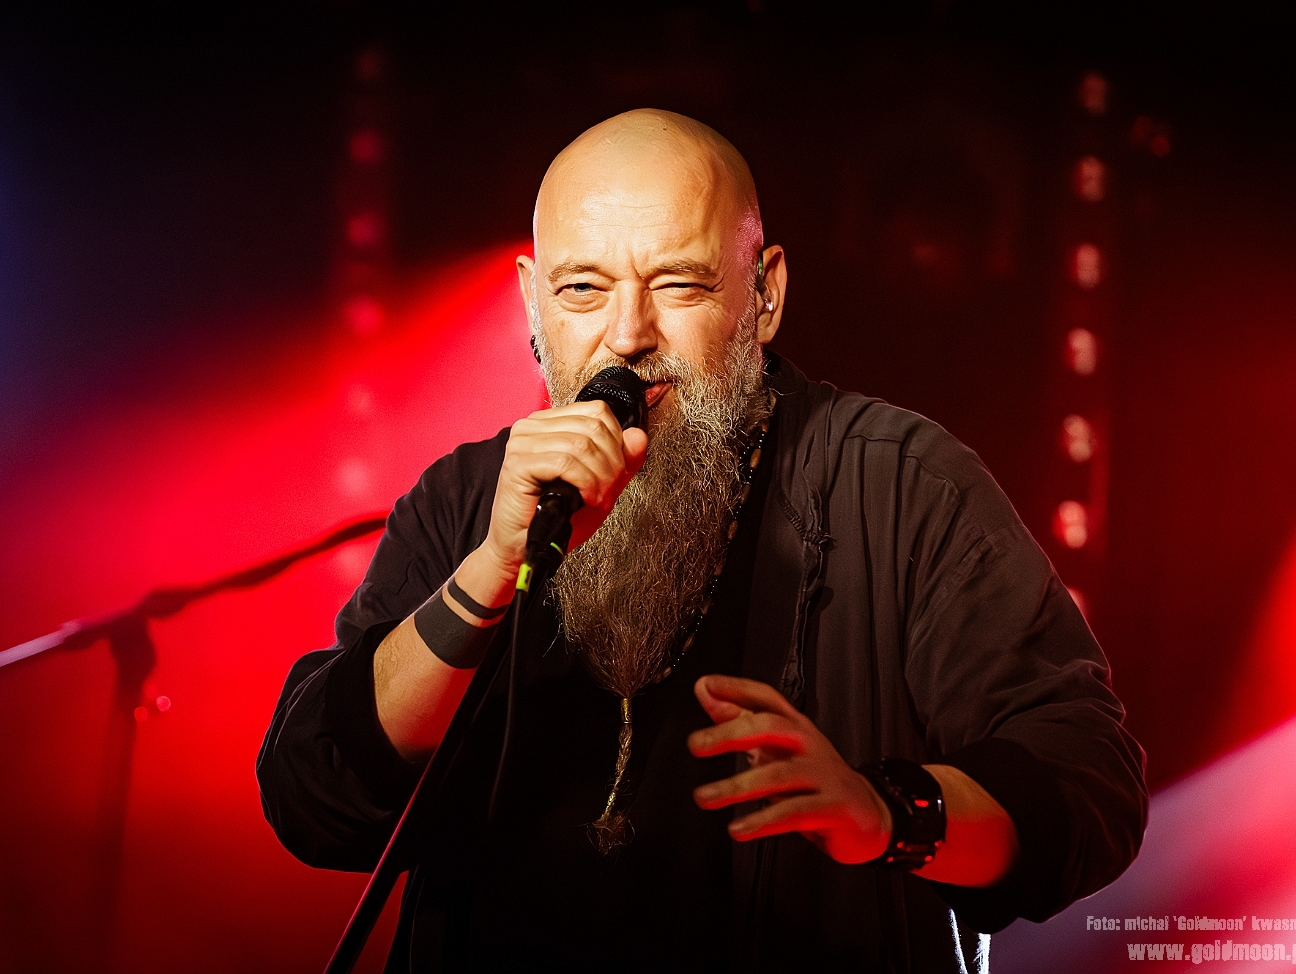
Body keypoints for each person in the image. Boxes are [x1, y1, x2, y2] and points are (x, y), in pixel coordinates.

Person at [257, 109, 1147, 973]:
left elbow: (1087, 781)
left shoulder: (905, 485)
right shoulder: (463, 498)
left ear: (765, 295)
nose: (628, 336)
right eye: (582, 289)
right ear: (532, 302)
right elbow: (312, 796)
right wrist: (490, 569)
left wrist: (883, 812)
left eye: (679, 284)